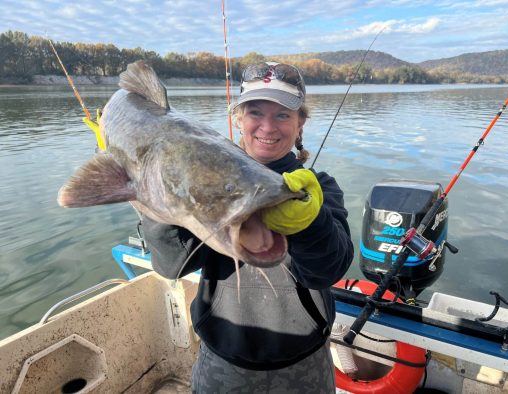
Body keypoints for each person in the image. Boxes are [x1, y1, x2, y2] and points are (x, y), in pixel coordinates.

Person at [88, 61, 354, 393]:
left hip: (305, 363)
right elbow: (172, 266)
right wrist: (151, 197)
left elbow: (326, 271)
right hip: (222, 363)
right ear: (238, 118)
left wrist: (312, 220)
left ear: (300, 124)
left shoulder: (318, 187)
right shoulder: (193, 173)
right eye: (255, 112)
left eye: (283, 115)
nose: (268, 127)